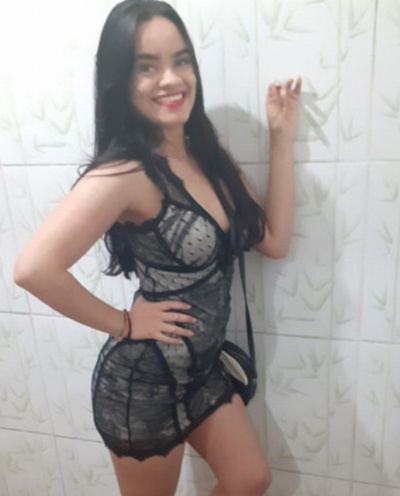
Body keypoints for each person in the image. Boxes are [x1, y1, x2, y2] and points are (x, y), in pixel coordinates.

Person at [14, 1, 301, 495]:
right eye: (147, 66)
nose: (171, 78)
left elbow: (273, 241)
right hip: (142, 384)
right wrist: (124, 322)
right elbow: (33, 269)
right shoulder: (126, 173)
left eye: (181, 60)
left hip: (204, 371)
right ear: (122, 81)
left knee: (250, 479)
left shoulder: (209, 155)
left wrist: (280, 139)